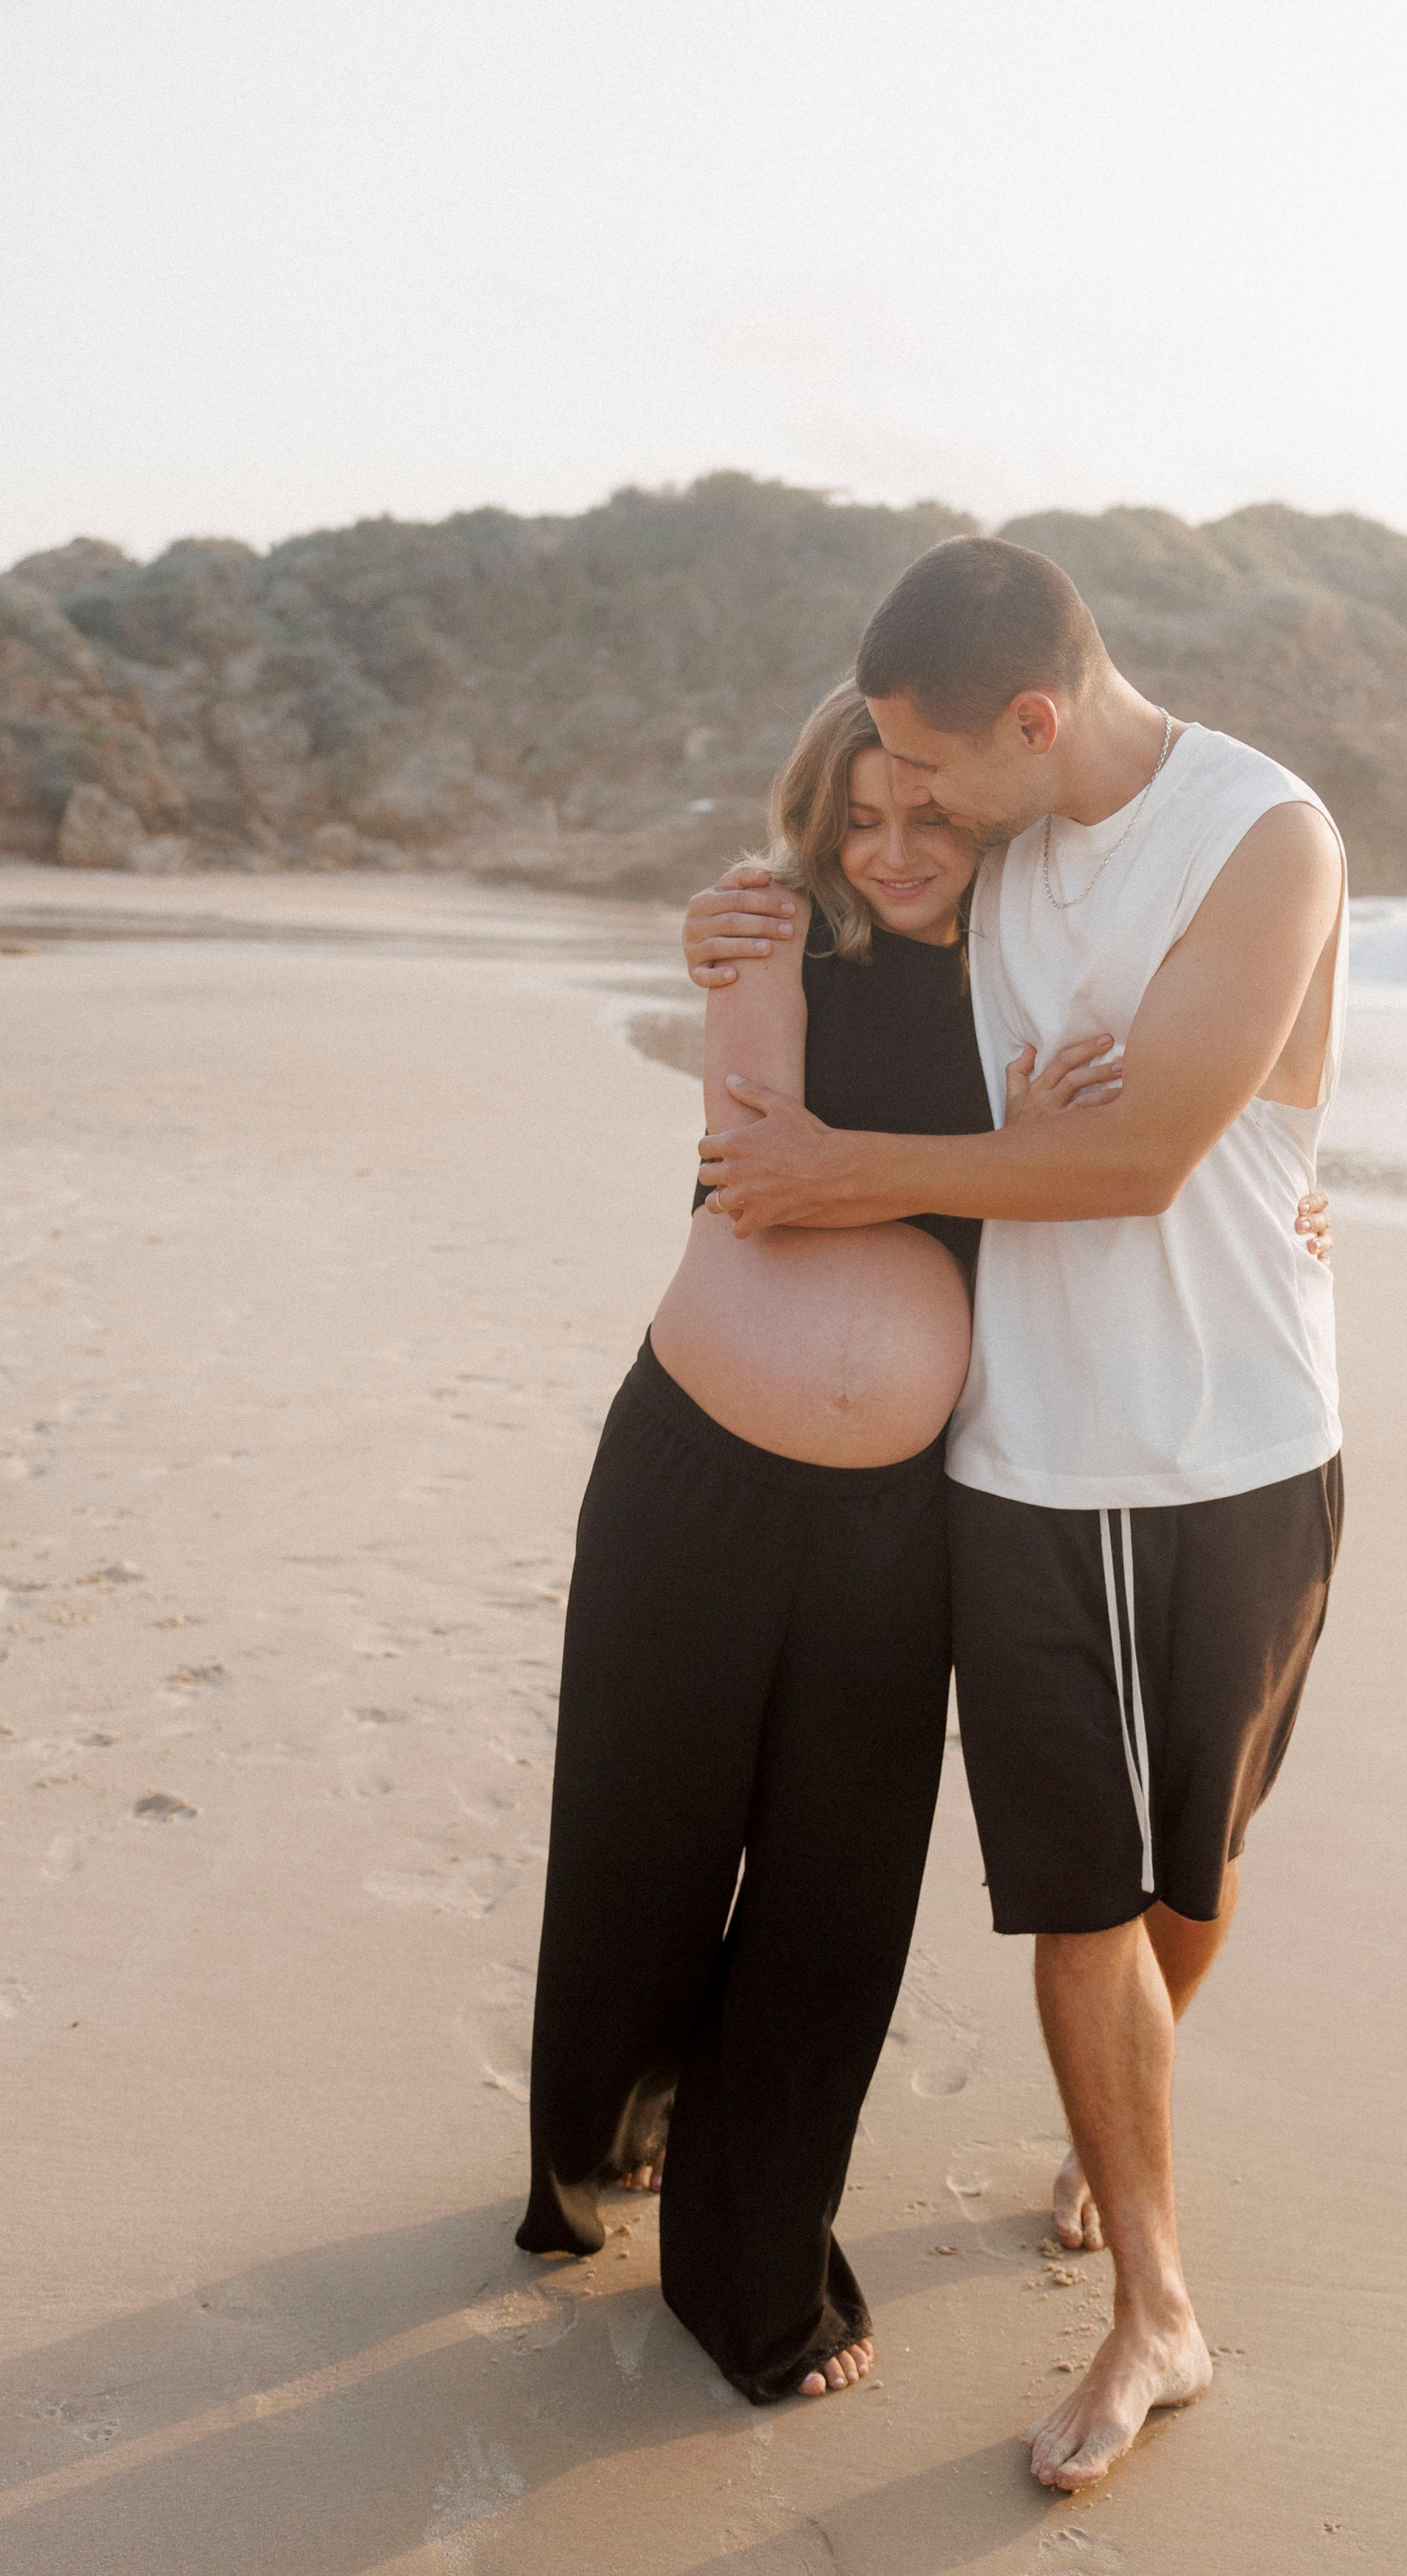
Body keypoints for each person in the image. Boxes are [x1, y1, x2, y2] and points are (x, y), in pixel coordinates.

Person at [688, 535, 1347, 2486]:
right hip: (1032, 1459)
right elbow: (856, 899)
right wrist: (731, 931)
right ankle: (1160, 2310)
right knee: (1075, 1897)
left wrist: (860, 1171)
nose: (923, 802)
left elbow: (1148, 1154)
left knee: (1182, 1883)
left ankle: (1113, 2130)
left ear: (1036, 722)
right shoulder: (1002, 835)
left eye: (938, 765)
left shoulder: (1265, 838)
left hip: (1233, 1440)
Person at [513, 679, 1143, 2403]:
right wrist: (1010, 1147)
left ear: (987, 802)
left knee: (833, 1905)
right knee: (641, 1853)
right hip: (688, 1481)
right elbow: (763, 1166)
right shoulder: (768, 927)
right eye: (856, 815)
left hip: (898, 1524)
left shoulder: (1036, 979)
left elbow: (1100, 1194)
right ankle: (596, 2147)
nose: (889, 847)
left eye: (924, 815)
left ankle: (754, 2280)